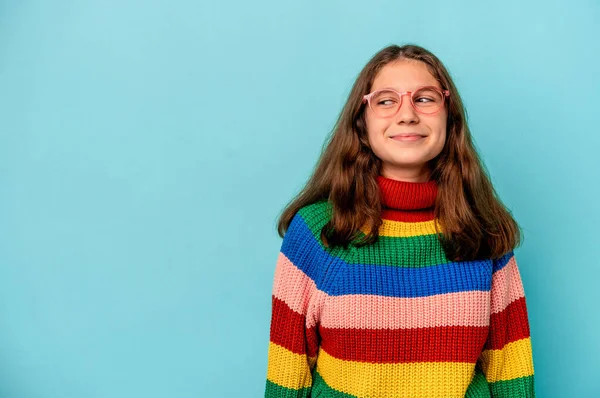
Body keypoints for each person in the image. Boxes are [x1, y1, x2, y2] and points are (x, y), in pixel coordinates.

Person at [264, 44, 535, 398]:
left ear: (449, 117)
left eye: (424, 99)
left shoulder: (484, 230)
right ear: (361, 122)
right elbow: (287, 374)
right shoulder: (317, 232)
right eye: (386, 100)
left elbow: (511, 371)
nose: (407, 114)